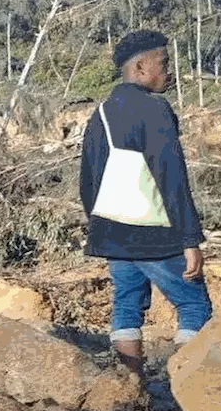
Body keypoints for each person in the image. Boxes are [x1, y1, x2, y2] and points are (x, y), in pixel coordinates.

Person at [79, 30, 212, 378]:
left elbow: (87, 181)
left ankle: (130, 387)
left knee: (126, 305)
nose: (169, 71)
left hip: (112, 231)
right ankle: (185, 388)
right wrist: (189, 239)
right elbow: (171, 176)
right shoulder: (154, 109)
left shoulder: (102, 112)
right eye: (164, 63)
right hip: (155, 232)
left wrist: (103, 225)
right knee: (194, 303)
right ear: (140, 67)